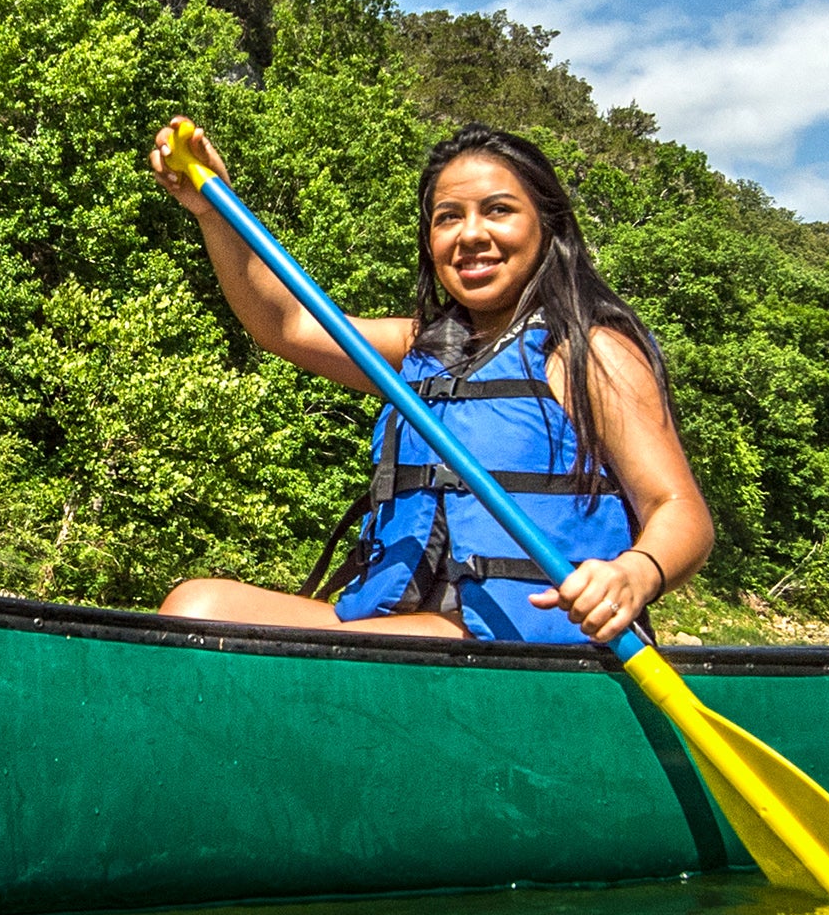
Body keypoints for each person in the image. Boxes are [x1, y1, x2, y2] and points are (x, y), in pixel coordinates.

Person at [148, 117, 713, 646]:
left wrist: (636, 572)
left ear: (548, 225)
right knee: (196, 605)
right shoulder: (420, 348)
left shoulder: (590, 351)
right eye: (448, 217)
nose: (471, 234)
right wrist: (213, 211)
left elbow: (678, 508)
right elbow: (287, 324)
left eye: (498, 210)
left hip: (526, 638)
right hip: (401, 625)